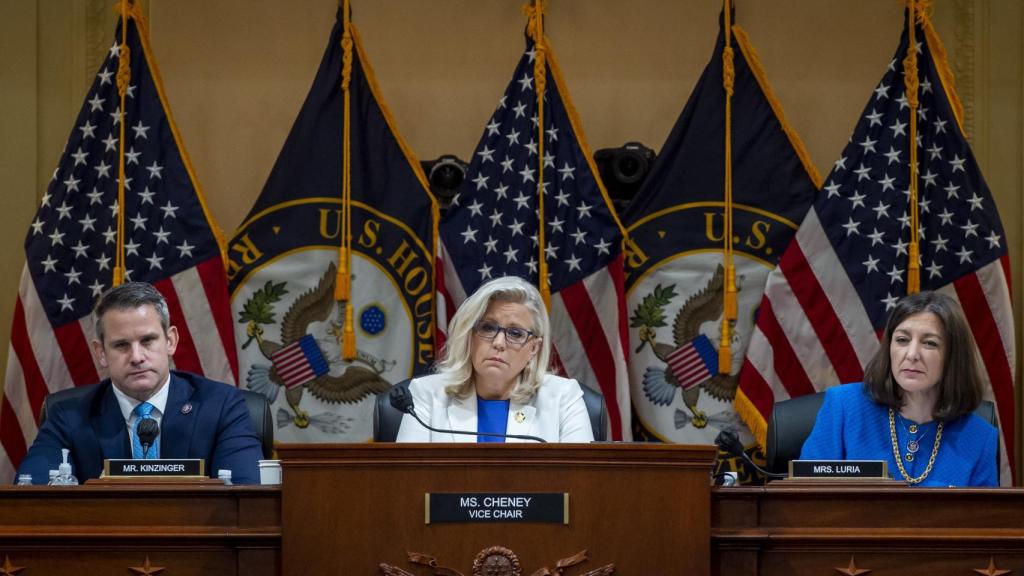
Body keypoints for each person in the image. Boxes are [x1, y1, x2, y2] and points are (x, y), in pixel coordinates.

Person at [16, 282, 262, 484]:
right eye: (121, 345)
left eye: (147, 341)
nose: (136, 357)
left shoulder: (221, 406)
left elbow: (246, 500)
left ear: (170, 341)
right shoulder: (68, 416)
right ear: (101, 352)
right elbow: (33, 497)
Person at [800, 291, 998, 487]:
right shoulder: (843, 406)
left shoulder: (980, 438)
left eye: (930, 343)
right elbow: (806, 499)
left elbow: (984, 518)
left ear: (953, 357)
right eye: (902, 340)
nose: (912, 354)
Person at [397, 276, 594, 443]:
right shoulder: (425, 396)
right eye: (488, 328)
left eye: (515, 333)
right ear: (469, 335)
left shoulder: (563, 398)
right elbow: (408, 482)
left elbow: (580, 484)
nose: (499, 343)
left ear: (534, 348)